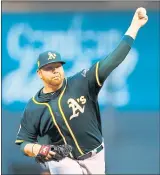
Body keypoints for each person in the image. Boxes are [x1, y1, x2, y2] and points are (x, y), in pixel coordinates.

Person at [15, 7, 148, 174]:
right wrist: (41, 150)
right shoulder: (34, 106)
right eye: (49, 68)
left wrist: (134, 26)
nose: (55, 70)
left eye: (58, 66)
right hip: (62, 159)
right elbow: (24, 142)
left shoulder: (81, 81)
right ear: (39, 73)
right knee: (61, 163)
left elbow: (112, 60)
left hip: (96, 155)